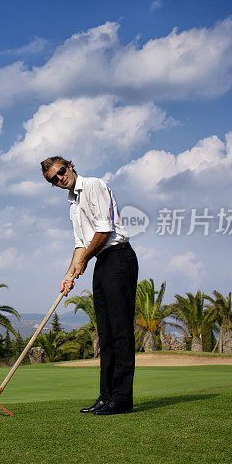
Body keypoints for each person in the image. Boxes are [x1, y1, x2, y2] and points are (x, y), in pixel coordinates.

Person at [41, 156, 139, 415]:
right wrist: (69, 274)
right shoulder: (72, 206)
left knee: (120, 333)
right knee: (105, 335)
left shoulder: (94, 185)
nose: (60, 178)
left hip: (119, 258)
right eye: (54, 179)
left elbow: (104, 231)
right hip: (102, 261)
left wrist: (83, 260)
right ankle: (106, 397)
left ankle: (122, 399)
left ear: (70, 166)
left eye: (61, 171)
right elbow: (80, 244)